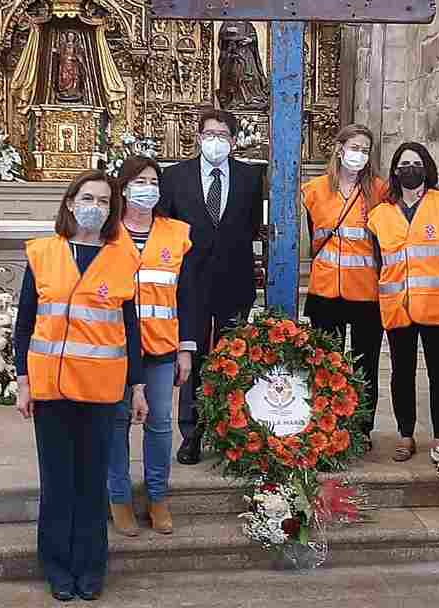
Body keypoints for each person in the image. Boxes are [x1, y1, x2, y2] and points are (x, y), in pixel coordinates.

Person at [13, 170, 148, 603]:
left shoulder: (123, 258)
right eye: (88, 198)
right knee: (57, 483)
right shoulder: (42, 253)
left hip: (101, 390)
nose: (95, 207)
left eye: (104, 201)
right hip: (51, 388)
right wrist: (22, 382)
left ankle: (90, 568)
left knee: (91, 483)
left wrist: (138, 387)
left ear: (112, 210)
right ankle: (57, 567)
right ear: (70, 203)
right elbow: (25, 323)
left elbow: (130, 328)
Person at [160, 108, 264, 465]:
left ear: (233, 141)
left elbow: (252, 226)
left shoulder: (251, 177)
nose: (215, 141)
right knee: (191, 356)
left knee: (231, 358)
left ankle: (227, 431)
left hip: (235, 280)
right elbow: (166, 227)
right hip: (190, 282)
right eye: (209, 134)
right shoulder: (175, 177)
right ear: (199, 137)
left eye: (222, 135)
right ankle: (192, 433)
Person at [107, 157, 196, 537]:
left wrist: (185, 348)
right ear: (124, 188)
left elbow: (186, 295)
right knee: (117, 423)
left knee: (159, 424)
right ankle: (119, 498)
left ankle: (158, 498)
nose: (148, 188)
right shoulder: (107, 232)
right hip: (113, 348)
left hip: (161, 346)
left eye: (153, 181)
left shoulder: (176, 232)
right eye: (139, 181)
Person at [366, 142, 439, 463]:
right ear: (395, 172)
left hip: (437, 305)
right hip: (398, 304)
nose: (410, 169)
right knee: (401, 372)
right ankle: (405, 434)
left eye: (416, 163)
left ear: (427, 168)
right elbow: (378, 260)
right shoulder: (380, 214)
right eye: (404, 164)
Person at [301, 124, 386, 451]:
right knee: (326, 363)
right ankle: (327, 424)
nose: (359, 155)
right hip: (325, 290)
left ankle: (362, 427)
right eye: (354, 147)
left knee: (366, 363)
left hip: (366, 291)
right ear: (339, 149)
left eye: (365, 149)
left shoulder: (379, 190)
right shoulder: (314, 190)